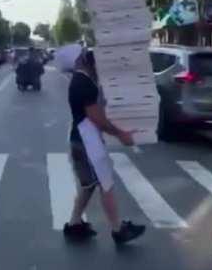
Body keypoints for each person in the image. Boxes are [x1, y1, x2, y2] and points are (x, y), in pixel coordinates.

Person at [56, 43, 146, 245]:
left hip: (84, 138)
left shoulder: (84, 79)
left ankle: (74, 224)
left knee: (89, 185)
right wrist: (120, 133)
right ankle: (118, 230)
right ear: (80, 60)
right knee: (106, 183)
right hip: (86, 140)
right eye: (86, 55)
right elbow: (95, 116)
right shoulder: (82, 82)